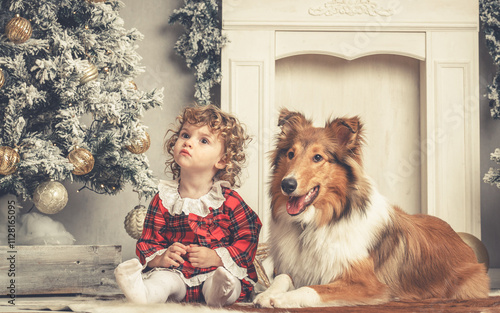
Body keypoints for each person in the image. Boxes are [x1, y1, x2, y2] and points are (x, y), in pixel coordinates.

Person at [114, 104, 262, 306]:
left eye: (203, 140)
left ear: (222, 160)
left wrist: (217, 257)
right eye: (185, 135)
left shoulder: (228, 199)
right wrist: (162, 258)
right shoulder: (164, 199)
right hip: (178, 274)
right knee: (162, 280)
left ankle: (219, 293)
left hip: (216, 271)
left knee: (229, 281)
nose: (188, 143)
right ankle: (144, 293)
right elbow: (149, 240)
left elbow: (249, 235)